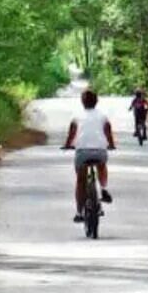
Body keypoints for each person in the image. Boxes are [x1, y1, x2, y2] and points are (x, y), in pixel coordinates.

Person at [61, 88, 115, 222]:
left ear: (82, 102)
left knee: (81, 181)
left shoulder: (76, 116)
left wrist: (68, 145)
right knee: (102, 165)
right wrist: (111, 144)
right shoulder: (103, 116)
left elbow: (72, 134)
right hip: (100, 151)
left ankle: (79, 213)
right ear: (96, 101)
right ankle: (103, 189)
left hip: (82, 152)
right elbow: (108, 131)